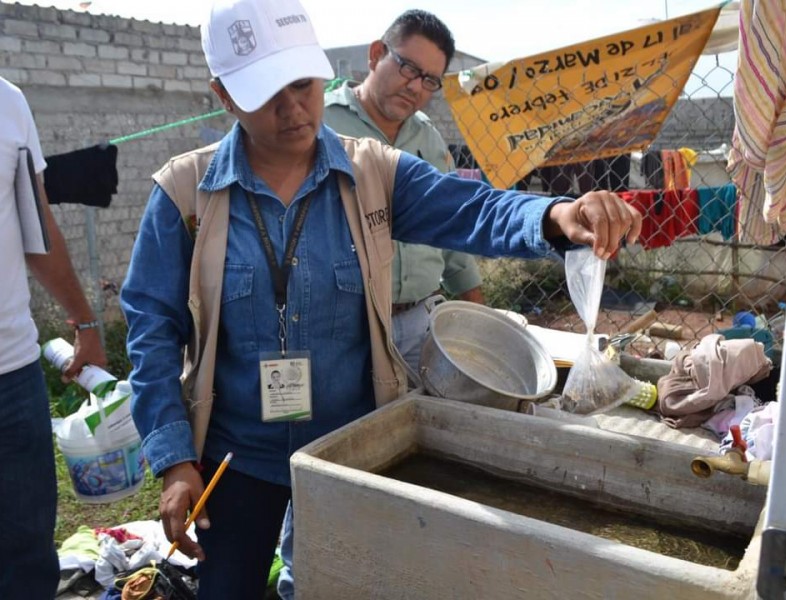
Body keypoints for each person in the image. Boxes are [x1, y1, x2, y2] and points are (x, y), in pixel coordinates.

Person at [119, 0, 641, 597]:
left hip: (352, 451)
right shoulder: (186, 193)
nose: (293, 108)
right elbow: (152, 330)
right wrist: (173, 460)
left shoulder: (373, 174)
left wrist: (556, 214)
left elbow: (472, 209)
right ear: (224, 95)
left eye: (303, 84)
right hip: (238, 460)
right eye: (268, 93)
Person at [324, 10, 484, 374]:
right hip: (346, 328)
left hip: (421, 323)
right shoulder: (321, 128)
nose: (416, 87)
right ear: (376, 54)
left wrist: (479, 317)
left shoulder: (427, 136)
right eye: (408, 68)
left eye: (430, 80)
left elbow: (452, 227)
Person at [0, 75, 107, 598]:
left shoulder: (8, 103)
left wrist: (85, 322)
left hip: (11, 371)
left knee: (25, 551)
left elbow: (35, 225)